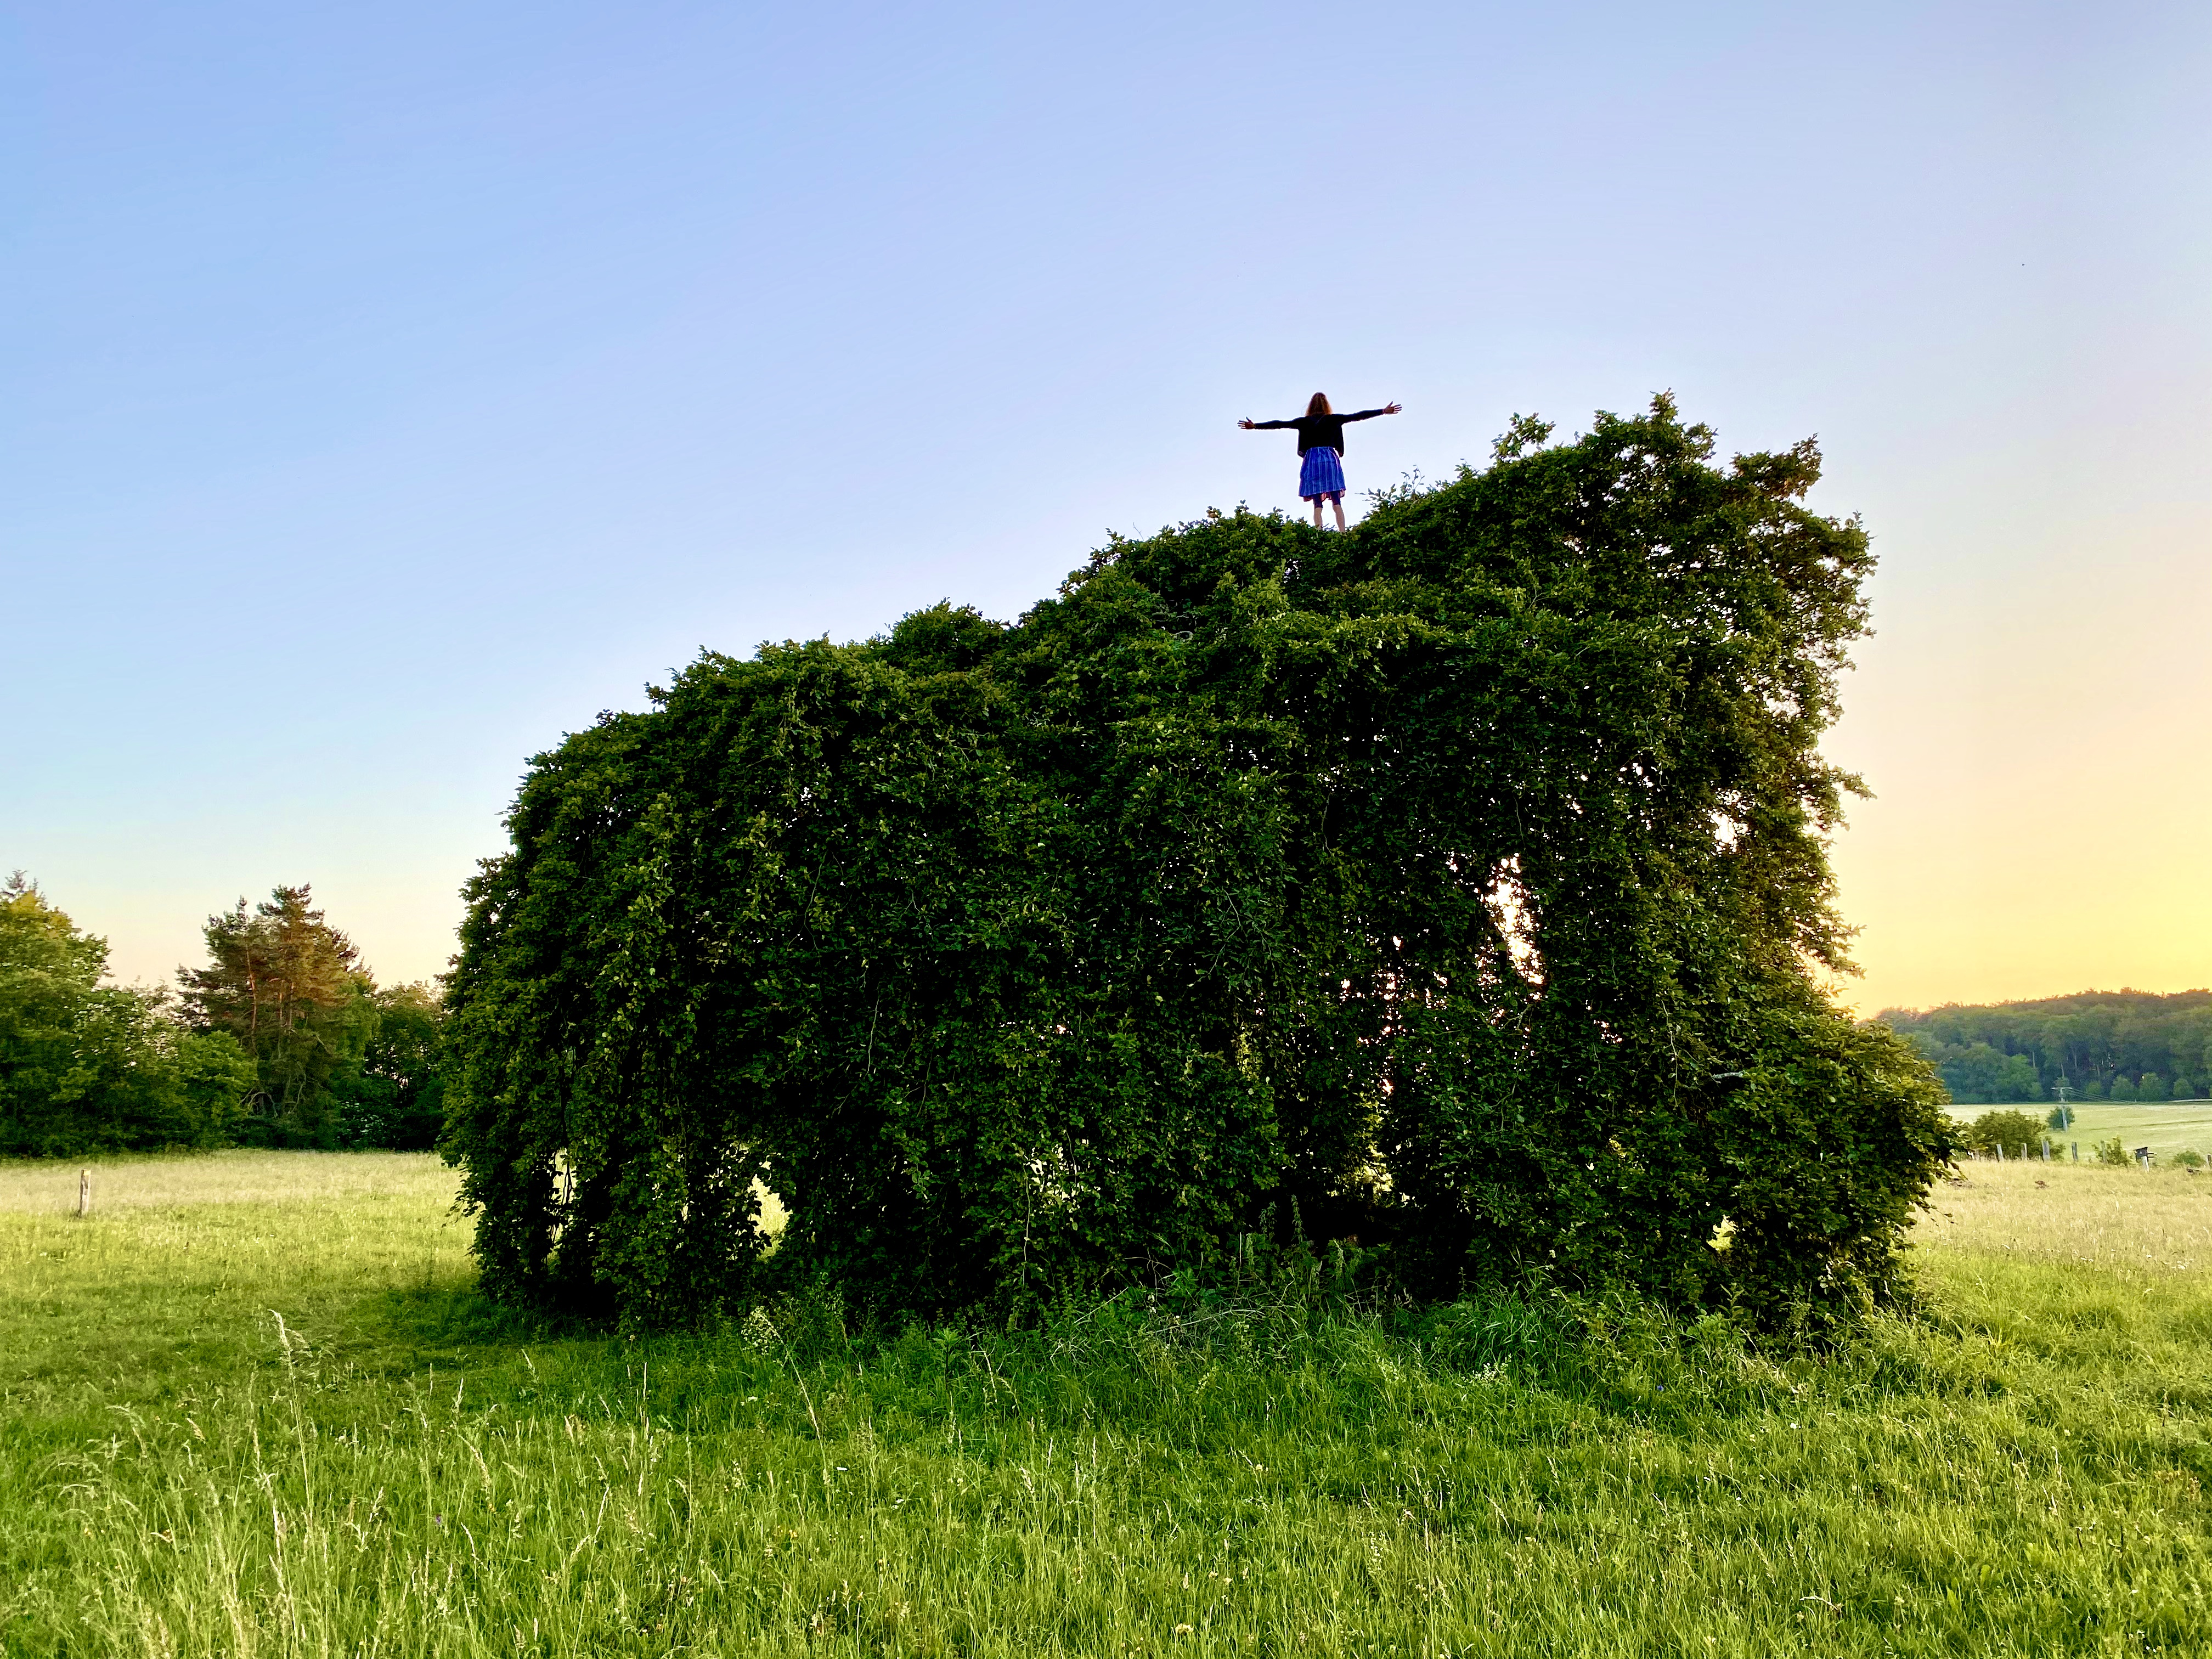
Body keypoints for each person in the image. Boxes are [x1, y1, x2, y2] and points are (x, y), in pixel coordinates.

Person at [1239, 393, 1403, 529]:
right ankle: (1343, 533)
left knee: (1317, 502)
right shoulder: (1335, 419)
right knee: (1336, 500)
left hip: (1312, 461)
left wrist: (1256, 426)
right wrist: (1383, 411)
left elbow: (1280, 424)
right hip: (1330, 460)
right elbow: (1358, 416)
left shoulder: (1303, 422)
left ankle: (1319, 533)